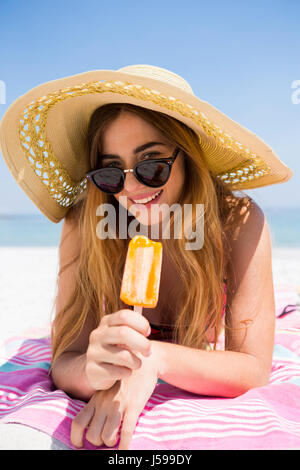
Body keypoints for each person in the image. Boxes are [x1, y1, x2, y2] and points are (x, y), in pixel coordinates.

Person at [0, 64, 293, 450]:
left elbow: (253, 369)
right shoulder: (84, 224)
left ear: (188, 155)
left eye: (151, 165)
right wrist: (94, 371)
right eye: (110, 172)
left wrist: (153, 359)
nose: (132, 188)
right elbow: (65, 359)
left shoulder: (235, 223)